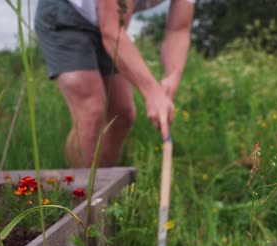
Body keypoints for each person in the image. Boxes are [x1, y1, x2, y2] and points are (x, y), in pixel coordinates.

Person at [34, 0, 194, 168]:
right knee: (92, 110)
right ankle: (82, 191)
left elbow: (178, 29)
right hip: (67, 14)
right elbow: (112, 31)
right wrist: (152, 92)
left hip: (111, 23)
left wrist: (172, 77)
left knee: (122, 114)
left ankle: (104, 186)